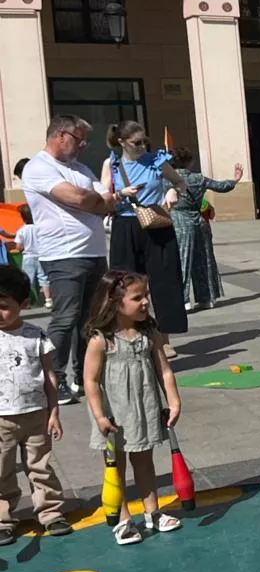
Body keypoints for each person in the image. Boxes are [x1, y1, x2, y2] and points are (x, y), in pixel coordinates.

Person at [23, 116, 141, 404]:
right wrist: (100, 201)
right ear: (61, 135)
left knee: (92, 319)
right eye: (79, 140)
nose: (83, 147)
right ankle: (54, 378)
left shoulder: (79, 168)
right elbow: (79, 198)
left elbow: (103, 196)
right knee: (65, 318)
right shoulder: (39, 167)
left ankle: (86, 375)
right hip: (64, 255)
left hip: (94, 252)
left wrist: (101, 200)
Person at [83, 269, 183, 546]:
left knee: (145, 463)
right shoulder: (101, 339)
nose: (145, 302)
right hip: (114, 414)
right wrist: (99, 415)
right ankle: (124, 519)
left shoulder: (149, 333)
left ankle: (152, 512)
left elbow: (164, 370)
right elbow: (90, 381)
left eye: (146, 296)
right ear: (114, 302)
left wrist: (173, 400)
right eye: (137, 297)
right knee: (116, 468)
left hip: (144, 407)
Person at [0, 263, 69, 545]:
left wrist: (54, 411)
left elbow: (50, 376)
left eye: (4, 305)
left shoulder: (35, 336)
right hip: (2, 418)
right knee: (1, 470)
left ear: (24, 304)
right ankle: (3, 518)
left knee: (40, 466)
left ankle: (50, 512)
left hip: (36, 414)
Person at [102, 121, 188, 341]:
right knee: (124, 282)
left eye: (144, 142)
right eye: (136, 142)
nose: (141, 146)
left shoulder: (155, 161)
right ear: (121, 142)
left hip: (156, 223)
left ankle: (163, 337)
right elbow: (104, 199)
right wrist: (121, 193)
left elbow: (180, 182)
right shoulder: (111, 164)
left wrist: (173, 192)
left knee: (165, 279)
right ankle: (129, 333)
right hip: (126, 224)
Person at [169, 148, 243, 312]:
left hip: (179, 221)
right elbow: (221, 186)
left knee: (182, 260)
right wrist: (235, 180)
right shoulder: (197, 178)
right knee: (204, 260)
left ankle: (183, 298)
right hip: (199, 220)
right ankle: (207, 297)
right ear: (189, 161)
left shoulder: (167, 179)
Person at [1, 207, 50, 309]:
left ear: (23, 218)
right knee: (44, 278)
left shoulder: (22, 230)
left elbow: (18, 246)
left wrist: (20, 247)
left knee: (27, 279)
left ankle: (26, 302)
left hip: (28, 256)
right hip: (41, 256)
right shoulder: (40, 228)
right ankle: (48, 300)